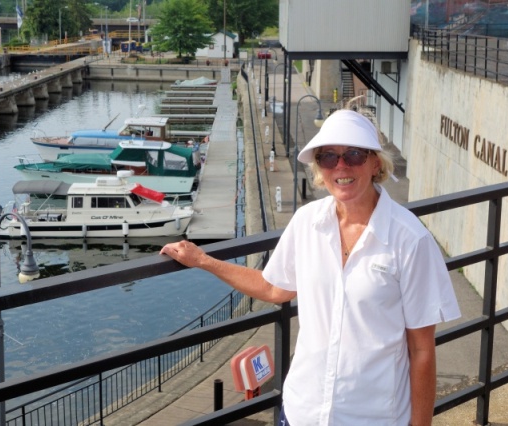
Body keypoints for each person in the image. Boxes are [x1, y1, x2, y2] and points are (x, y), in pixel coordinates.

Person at [160, 109, 461, 425]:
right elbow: (274, 287)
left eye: (353, 154)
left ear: (375, 163)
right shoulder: (307, 222)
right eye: (328, 157)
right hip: (302, 410)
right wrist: (202, 260)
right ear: (319, 168)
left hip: (373, 417)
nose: (341, 166)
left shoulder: (410, 239)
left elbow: (422, 349)